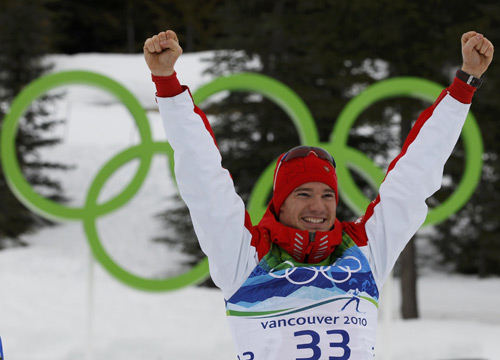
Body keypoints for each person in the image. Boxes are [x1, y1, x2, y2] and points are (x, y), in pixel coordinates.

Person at [144, 30, 493, 359]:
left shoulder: (363, 253)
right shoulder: (245, 259)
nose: (318, 206)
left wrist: (466, 83)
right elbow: (204, 178)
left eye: (328, 194)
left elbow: (415, 175)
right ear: (279, 202)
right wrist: (167, 84)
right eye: (303, 193)